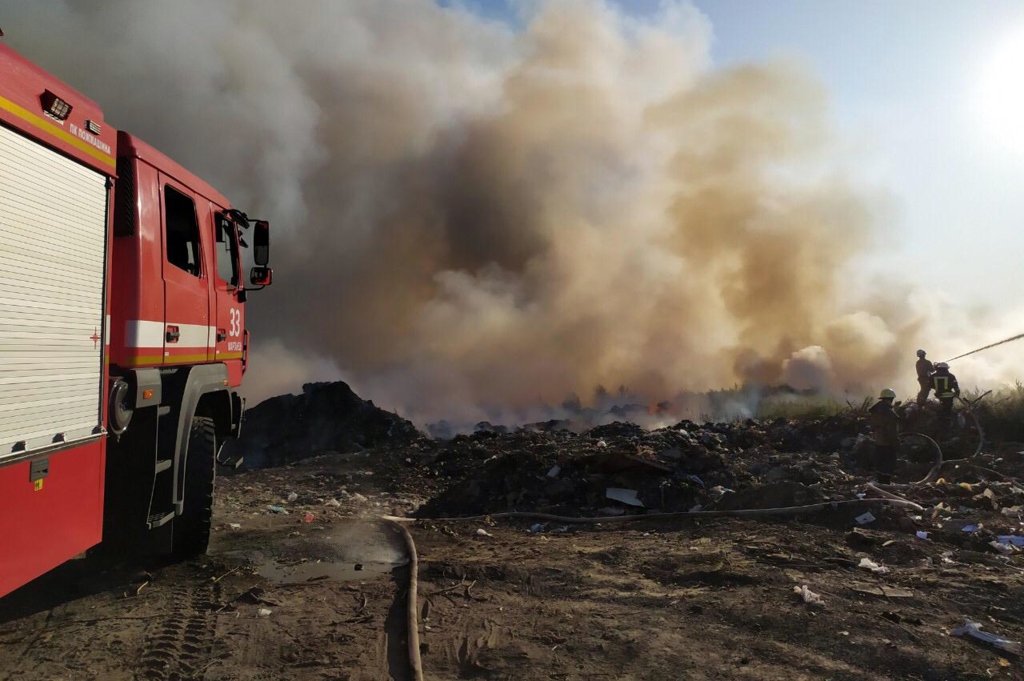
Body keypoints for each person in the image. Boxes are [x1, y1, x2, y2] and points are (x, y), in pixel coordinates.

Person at [868, 388, 901, 483]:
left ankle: (880, 482)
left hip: (878, 441)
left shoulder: (876, 411)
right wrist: (897, 444)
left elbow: (873, 427)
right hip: (888, 443)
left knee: (880, 462)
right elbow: (892, 432)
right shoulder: (889, 414)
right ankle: (886, 484)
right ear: (890, 399)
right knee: (888, 464)